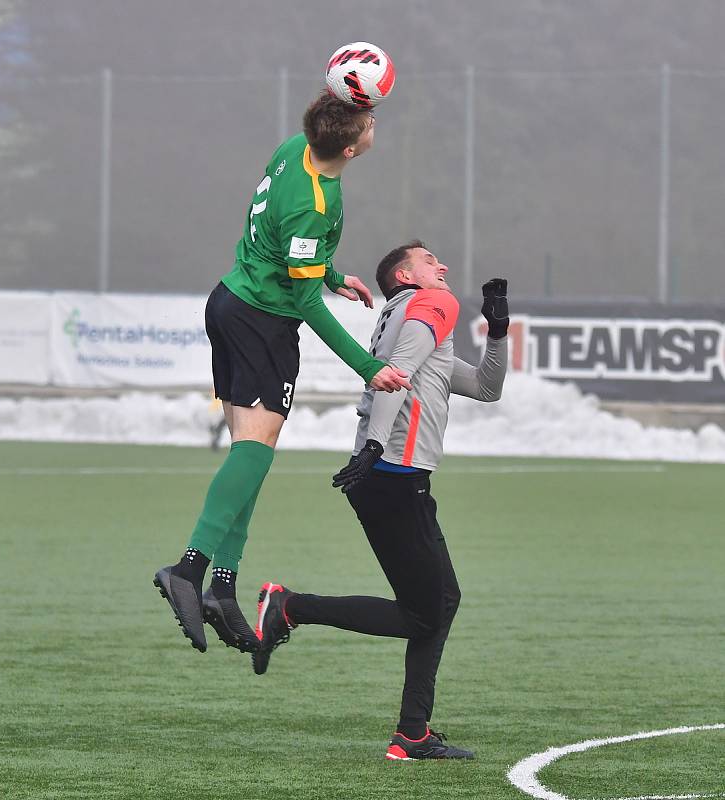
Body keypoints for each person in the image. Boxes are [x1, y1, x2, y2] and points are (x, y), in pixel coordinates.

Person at [154, 94, 411, 656]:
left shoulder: (296, 148)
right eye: (368, 123)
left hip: (232, 302)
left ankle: (221, 587)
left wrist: (333, 273)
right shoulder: (315, 203)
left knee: (253, 448)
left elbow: (290, 248)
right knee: (256, 450)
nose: (373, 127)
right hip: (262, 322)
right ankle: (189, 570)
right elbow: (307, 301)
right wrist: (370, 368)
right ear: (350, 146)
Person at [252, 241, 509, 760]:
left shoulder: (408, 314)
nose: (443, 266)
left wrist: (497, 332)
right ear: (404, 275)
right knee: (424, 615)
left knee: (440, 603)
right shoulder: (432, 304)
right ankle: (290, 607)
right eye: (429, 260)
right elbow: (396, 374)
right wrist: (373, 444)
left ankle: (412, 731)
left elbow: (485, 387)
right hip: (392, 476)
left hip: (392, 479)